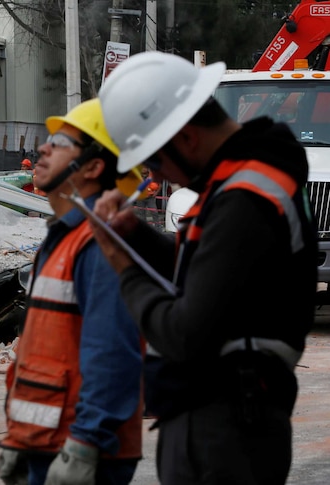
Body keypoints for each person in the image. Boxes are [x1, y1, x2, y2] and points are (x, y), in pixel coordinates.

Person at [92, 51, 316, 484]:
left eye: (156, 160)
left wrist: (124, 267)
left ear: (187, 136)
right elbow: (211, 271)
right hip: (226, 417)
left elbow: (184, 334)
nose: (160, 177)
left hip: (227, 425)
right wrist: (132, 233)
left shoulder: (244, 198)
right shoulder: (242, 183)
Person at [0, 99, 144, 485]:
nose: (44, 148)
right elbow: (42, 346)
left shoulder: (98, 241)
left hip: (81, 451)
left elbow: (113, 352)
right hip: (46, 443)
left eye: (60, 142)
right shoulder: (62, 237)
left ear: (94, 167)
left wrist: (86, 443)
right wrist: (20, 438)